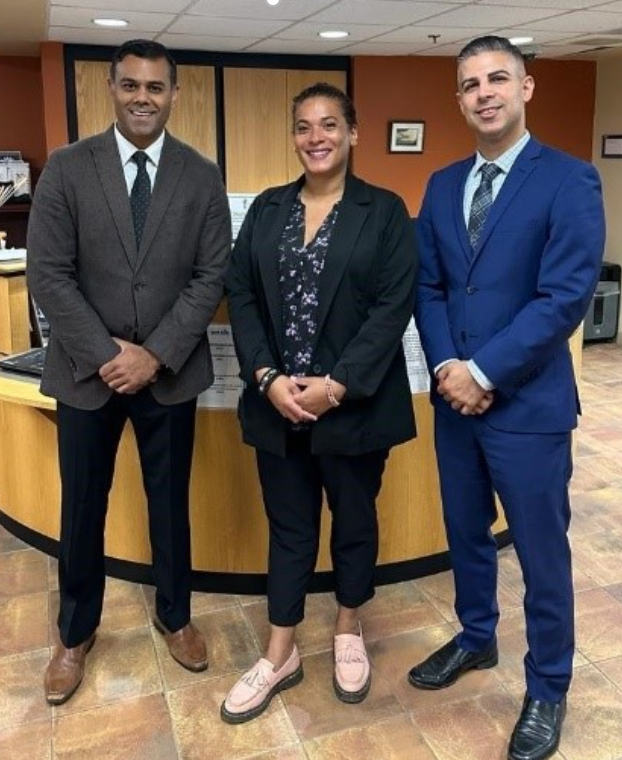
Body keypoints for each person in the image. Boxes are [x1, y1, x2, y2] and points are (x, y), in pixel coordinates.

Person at [410, 36, 605, 760]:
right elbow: (429, 288)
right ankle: (476, 637)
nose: (484, 92)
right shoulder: (439, 184)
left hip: (526, 409)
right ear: (458, 99)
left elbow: (563, 299)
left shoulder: (570, 180)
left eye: (498, 79)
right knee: (465, 537)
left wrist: (482, 372)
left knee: (541, 553)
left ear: (528, 89)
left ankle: (548, 686)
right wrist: (446, 367)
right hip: (454, 405)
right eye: (470, 84)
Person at [27, 39, 231, 705]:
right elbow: (47, 274)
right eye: (132, 86)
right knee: (82, 507)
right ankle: (74, 633)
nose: (144, 97)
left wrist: (156, 352)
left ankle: (175, 615)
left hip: (169, 373)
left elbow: (210, 276)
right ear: (110, 89)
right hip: (88, 376)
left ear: (175, 94)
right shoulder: (66, 169)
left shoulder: (201, 176)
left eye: (156, 87)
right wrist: (111, 355)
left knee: (170, 506)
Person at [222, 82, 417, 723]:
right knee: (290, 528)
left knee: (354, 523)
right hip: (277, 405)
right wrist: (266, 376)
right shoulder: (267, 210)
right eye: (304, 126)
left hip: (353, 407)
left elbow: (393, 310)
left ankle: (348, 628)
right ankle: (281, 652)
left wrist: (335, 386)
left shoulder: (383, 211)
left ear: (353, 133)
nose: (316, 137)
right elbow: (242, 293)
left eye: (329, 124)